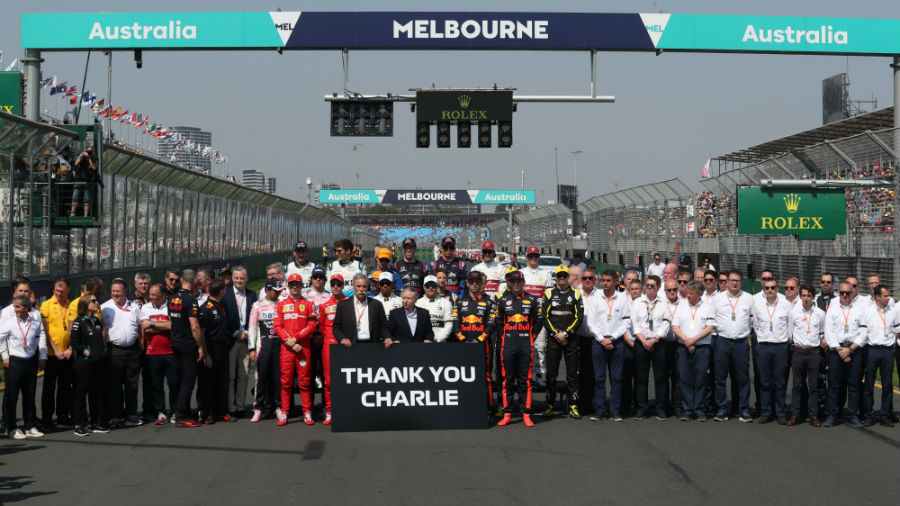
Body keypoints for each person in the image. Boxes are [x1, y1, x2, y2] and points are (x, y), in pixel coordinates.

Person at [495, 269, 544, 427]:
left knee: (526, 381)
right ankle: (507, 413)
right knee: (507, 380)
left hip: (525, 343)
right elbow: (498, 322)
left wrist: (532, 336)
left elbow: (539, 320)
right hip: (508, 344)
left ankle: (527, 413)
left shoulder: (532, 299)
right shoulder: (502, 300)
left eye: (518, 281)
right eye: (512, 282)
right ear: (508, 283)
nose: (515, 284)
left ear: (523, 283)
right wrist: (504, 337)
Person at [583, 269, 631, 422]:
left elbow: (626, 322)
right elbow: (591, 322)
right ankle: (600, 409)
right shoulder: (596, 298)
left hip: (617, 343)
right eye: (603, 280)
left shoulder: (622, 298)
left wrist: (613, 338)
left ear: (615, 282)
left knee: (617, 378)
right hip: (599, 342)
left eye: (608, 280)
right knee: (599, 378)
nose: (605, 283)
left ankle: (615, 410)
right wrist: (602, 339)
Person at [710, 269, 754, 422]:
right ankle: (722, 409)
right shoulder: (717, 299)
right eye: (732, 280)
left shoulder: (748, 298)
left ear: (741, 283)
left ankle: (743, 409)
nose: (734, 283)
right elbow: (711, 320)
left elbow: (754, 319)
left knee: (742, 378)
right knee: (720, 377)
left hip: (741, 342)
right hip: (722, 341)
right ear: (727, 282)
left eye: (737, 281)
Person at [0, 294, 47, 439]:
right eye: (14, 306)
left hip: (31, 361)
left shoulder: (34, 321)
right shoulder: (10, 322)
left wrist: (42, 356)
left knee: (30, 396)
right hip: (15, 362)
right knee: (12, 397)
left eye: (18, 307)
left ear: (26, 307)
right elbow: (1, 339)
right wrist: (5, 356)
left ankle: (29, 426)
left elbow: (40, 336)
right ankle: (12, 428)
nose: (15, 310)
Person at [540, 264, 583, 419]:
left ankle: (573, 405)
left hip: (570, 339)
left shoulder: (576, 294)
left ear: (569, 277)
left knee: (572, 375)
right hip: (553, 340)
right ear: (556, 277)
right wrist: (555, 334)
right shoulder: (549, 293)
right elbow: (544, 317)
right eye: (560, 276)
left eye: (565, 275)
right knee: (551, 375)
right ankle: (550, 404)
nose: (562, 278)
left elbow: (579, 318)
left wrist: (566, 333)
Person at [169, 269, 211, 428]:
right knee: (188, 381)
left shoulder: (172, 298)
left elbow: (172, 322)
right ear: (193, 282)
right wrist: (201, 347)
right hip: (187, 345)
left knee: (181, 380)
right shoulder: (190, 300)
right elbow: (195, 327)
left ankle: (182, 411)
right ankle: (180, 415)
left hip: (175, 343)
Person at [274, 273, 317, 426]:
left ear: (301, 286)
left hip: (303, 348)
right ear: (288, 285)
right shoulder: (280, 304)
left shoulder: (309, 304)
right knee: (285, 382)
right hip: (287, 348)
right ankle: (284, 412)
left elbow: (312, 326)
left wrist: (296, 338)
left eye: (297, 284)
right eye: (291, 284)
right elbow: (277, 326)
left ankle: (307, 412)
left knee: (305, 382)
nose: (294, 286)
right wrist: (290, 342)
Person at [822, 281, 866, 428]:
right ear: (838, 293)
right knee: (834, 385)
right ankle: (832, 415)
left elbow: (864, 333)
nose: (845, 295)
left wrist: (850, 350)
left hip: (854, 350)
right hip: (836, 352)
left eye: (848, 293)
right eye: (842, 293)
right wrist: (840, 350)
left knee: (854, 385)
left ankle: (853, 416)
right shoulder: (832, 310)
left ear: (853, 293)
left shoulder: (860, 310)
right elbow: (829, 333)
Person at [452, 270, 497, 413]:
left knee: (486, 377)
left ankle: (488, 406)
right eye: (472, 282)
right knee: (462, 376)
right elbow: (455, 324)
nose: (475, 284)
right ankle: (464, 404)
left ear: (482, 283)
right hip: (463, 345)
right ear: (467, 284)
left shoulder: (490, 302)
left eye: (477, 282)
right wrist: (464, 340)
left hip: (483, 346)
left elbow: (491, 325)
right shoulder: (459, 302)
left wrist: (478, 340)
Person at [101, 278, 143, 427]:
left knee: (132, 384)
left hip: (133, 351)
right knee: (114, 385)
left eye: (118, 291)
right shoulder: (104, 307)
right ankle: (115, 415)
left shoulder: (134, 307)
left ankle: (131, 414)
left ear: (125, 291)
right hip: (114, 351)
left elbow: (140, 327)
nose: (115, 294)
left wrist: (141, 344)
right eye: (113, 291)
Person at [671, 281, 715, 421]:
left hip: (702, 347)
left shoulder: (708, 307)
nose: (688, 295)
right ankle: (688, 409)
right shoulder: (681, 306)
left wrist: (693, 340)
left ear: (699, 294)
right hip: (683, 347)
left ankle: (700, 409)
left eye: (691, 293)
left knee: (701, 379)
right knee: (685, 378)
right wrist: (686, 340)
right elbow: (675, 326)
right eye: (688, 293)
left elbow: (709, 328)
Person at [751, 276, 792, 424]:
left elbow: (790, 326)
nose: (770, 290)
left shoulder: (786, 305)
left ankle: (780, 412)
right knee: (765, 381)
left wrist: (783, 339)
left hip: (780, 346)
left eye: (773, 288)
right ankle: (766, 411)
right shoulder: (758, 306)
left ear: (777, 288)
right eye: (767, 288)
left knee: (780, 381)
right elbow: (755, 325)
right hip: (763, 346)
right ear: (764, 290)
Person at [631, 275, 671, 420]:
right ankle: (642, 408)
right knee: (641, 378)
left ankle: (660, 408)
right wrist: (644, 341)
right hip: (642, 343)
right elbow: (634, 324)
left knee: (660, 377)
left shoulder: (663, 303)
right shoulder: (637, 303)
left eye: (652, 285)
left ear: (658, 287)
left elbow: (666, 324)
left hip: (658, 343)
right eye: (647, 285)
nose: (649, 288)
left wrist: (654, 340)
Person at [39, 275, 74, 432]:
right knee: (49, 388)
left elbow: (74, 329)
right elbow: (45, 331)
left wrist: (70, 349)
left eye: (63, 291)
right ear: (53, 290)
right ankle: (47, 419)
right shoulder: (46, 305)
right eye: (57, 291)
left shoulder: (71, 305)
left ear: (68, 291)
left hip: (67, 354)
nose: (59, 294)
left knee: (65, 387)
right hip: (53, 354)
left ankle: (63, 415)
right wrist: (57, 350)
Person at [787, 284, 826, 426]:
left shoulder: (820, 314)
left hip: (813, 352)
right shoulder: (794, 313)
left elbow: (822, 333)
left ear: (812, 297)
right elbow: (790, 333)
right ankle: (795, 414)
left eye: (808, 296)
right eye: (803, 295)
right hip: (798, 351)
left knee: (814, 385)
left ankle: (813, 415)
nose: (806, 298)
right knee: (797, 385)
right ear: (800, 296)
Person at [248, 278, 285, 423]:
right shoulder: (257, 306)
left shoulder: (282, 305)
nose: (278, 294)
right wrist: (251, 348)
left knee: (278, 378)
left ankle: (279, 407)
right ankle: (258, 408)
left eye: (279, 291)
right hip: (263, 346)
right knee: (260, 378)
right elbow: (252, 328)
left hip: (279, 346)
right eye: (275, 291)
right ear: (268, 290)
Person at [69, 295, 107, 436]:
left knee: (96, 393)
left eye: (96, 300)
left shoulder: (97, 321)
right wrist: (85, 351)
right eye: (93, 301)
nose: (96, 302)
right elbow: (74, 342)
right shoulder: (79, 322)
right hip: (83, 364)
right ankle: (80, 424)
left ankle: (96, 423)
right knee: (80, 393)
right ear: (85, 304)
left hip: (98, 363)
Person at [140, 283, 177, 425]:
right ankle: (161, 411)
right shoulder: (146, 307)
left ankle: (174, 411)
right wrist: (163, 325)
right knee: (156, 385)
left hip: (170, 352)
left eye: (153, 295)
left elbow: (172, 326)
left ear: (162, 296)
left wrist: (153, 324)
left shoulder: (172, 306)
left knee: (174, 383)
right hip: (152, 352)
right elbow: (145, 327)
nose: (150, 297)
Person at [222, 265, 256, 417]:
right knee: (231, 375)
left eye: (242, 278)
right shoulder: (226, 294)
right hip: (232, 339)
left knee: (243, 375)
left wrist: (248, 332)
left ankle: (241, 406)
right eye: (236, 278)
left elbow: (254, 317)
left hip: (246, 339)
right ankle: (231, 406)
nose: (239, 281)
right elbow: (224, 319)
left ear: (246, 279)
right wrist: (235, 333)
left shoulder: (251, 295)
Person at [861, 284, 896, 427]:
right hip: (872, 351)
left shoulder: (893, 311)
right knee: (869, 384)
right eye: (886, 296)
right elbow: (863, 332)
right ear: (877, 296)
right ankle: (868, 414)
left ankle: (885, 414)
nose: (889, 298)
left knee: (887, 385)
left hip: (888, 351)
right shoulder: (868, 312)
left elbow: (897, 330)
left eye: (888, 295)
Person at [197, 279, 232, 424]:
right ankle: (207, 413)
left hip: (223, 350)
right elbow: (201, 333)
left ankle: (222, 411)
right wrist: (205, 354)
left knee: (222, 381)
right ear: (221, 291)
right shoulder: (205, 308)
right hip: (211, 350)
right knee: (208, 383)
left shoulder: (221, 305)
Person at [522, 246, 554, 388]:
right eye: (531, 256)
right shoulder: (520, 273)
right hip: (522, 316)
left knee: (540, 346)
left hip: (539, 316)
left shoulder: (546, 274)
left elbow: (549, 297)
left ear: (539, 258)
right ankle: (522, 375)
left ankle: (539, 375)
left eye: (536, 256)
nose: (533, 259)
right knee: (523, 347)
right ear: (526, 258)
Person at [316, 274, 346, 425]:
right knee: (328, 381)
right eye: (333, 284)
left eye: (338, 284)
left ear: (342, 286)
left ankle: (346, 409)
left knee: (347, 379)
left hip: (346, 346)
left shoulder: (349, 303)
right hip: (329, 345)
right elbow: (321, 327)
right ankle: (329, 410)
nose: (336, 287)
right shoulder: (324, 305)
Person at [333, 273, 391, 347]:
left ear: (367, 288)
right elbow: (336, 327)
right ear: (353, 287)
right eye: (358, 286)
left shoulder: (376, 304)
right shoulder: (343, 305)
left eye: (364, 286)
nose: (361, 289)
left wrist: (387, 337)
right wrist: (342, 339)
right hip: (351, 346)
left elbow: (383, 326)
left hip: (372, 346)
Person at [302, 266, 332, 394]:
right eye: (315, 277)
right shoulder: (304, 295)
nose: (318, 279)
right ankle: (310, 407)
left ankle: (326, 406)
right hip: (309, 338)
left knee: (326, 373)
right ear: (311, 279)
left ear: (325, 280)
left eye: (321, 277)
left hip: (325, 338)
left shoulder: (330, 295)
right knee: (310, 373)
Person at [662, 278, 683, 417]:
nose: (672, 292)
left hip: (679, 343)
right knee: (663, 376)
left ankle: (677, 406)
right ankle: (664, 406)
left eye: (674, 289)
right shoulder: (660, 304)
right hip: (663, 343)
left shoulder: (684, 304)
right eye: (669, 290)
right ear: (664, 291)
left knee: (678, 376)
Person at [416, 275, 454, 343]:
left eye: (433, 285)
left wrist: (438, 339)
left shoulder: (446, 303)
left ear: (437, 287)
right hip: (422, 343)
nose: (430, 288)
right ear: (424, 287)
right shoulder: (417, 303)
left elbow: (449, 324)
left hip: (440, 343)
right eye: (428, 285)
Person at [70, 145, 98, 217]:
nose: (88, 153)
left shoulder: (94, 158)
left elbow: (94, 167)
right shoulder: (82, 157)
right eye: (87, 151)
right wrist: (82, 155)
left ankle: (85, 215)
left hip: (88, 181)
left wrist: (89, 158)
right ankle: (72, 213)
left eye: (90, 152)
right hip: (79, 180)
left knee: (86, 199)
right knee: (75, 197)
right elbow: (75, 164)